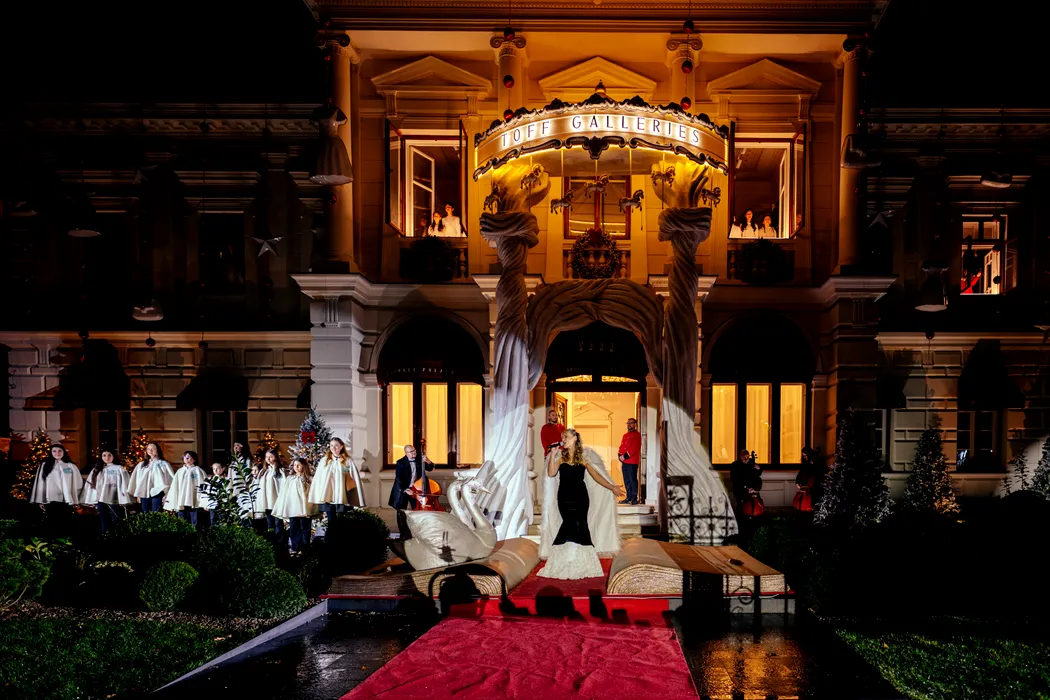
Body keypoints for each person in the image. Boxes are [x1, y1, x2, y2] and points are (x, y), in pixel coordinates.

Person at [538, 429, 623, 580]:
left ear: (575, 438)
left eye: (566, 437)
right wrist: (552, 454)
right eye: (563, 437)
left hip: (581, 498)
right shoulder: (561, 458)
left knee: (581, 525)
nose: (564, 439)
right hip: (564, 498)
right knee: (568, 524)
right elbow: (551, 473)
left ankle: (582, 562)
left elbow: (597, 476)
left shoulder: (583, 459)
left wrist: (612, 487)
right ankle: (562, 561)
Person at [30, 444, 83, 533]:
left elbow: (77, 483)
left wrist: (77, 499)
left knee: (65, 521)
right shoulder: (44, 466)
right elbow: (40, 484)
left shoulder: (70, 466)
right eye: (54, 451)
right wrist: (41, 500)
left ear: (63, 452)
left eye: (59, 451)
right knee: (51, 521)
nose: (57, 453)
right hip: (50, 499)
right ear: (51, 453)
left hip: (66, 499)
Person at [308, 437, 365, 515]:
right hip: (328, 497)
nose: (333, 448)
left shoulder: (348, 461)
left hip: (342, 496)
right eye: (331, 445)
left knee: (342, 519)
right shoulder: (324, 460)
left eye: (336, 445)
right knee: (331, 520)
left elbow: (353, 477)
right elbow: (318, 478)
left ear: (341, 447)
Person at [273, 457, 316, 555]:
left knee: (305, 528)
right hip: (293, 509)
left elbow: (312, 493)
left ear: (303, 466)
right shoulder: (290, 479)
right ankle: (295, 547)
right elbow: (285, 493)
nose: (296, 467)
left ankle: (305, 548)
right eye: (294, 465)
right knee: (294, 528)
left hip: (305, 509)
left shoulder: (309, 479)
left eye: (298, 465)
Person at [83, 449, 131, 533]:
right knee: (103, 519)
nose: (107, 457)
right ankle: (105, 536)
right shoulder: (96, 469)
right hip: (100, 499)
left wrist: (123, 498)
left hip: (114, 498)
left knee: (115, 519)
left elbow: (124, 483)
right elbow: (91, 485)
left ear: (113, 456)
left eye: (109, 455)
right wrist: (92, 497)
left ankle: (116, 536)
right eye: (104, 455)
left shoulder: (119, 468)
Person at [128, 442, 174, 513]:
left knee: (156, 512)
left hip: (158, 492)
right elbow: (138, 480)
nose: (150, 451)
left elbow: (169, 479)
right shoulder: (142, 465)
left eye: (153, 449)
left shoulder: (163, 464)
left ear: (157, 450)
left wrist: (167, 494)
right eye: (148, 449)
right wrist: (138, 494)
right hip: (144, 493)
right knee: (145, 513)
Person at [165, 451, 206, 527]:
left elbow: (203, 484)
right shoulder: (180, 471)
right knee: (182, 519)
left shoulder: (198, 470)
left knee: (194, 519)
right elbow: (175, 486)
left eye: (189, 457)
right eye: (185, 457)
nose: (187, 459)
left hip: (193, 499)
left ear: (194, 459)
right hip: (181, 499)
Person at [389, 444, 434, 510]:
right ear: (406, 453)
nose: (414, 452)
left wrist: (427, 461)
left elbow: (430, 469)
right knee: (401, 510)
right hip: (404, 488)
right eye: (411, 451)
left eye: (414, 450)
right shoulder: (400, 462)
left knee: (416, 508)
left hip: (416, 489)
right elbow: (398, 478)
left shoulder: (420, 459)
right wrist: (406, 489)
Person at [256, 448, 286, 534]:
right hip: (267, 502)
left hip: (276, 502)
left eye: (271, 457)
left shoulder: (280, 471)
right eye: (266, 457)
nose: (268, 459)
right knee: (270, 524)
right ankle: (271, 539)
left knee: (278, 524)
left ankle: (279, 539)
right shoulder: (264, 471)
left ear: (275, 457)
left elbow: (282, 485)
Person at [729, 449, 763, 517]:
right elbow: (734, 479)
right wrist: (746, 487)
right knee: (741, 505)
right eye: (744, 457)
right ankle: (741, 517)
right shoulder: (735, 465)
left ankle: (756, 514)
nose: (746, 459)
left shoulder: (751, 463)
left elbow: (758, 475)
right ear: (740, 457)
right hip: (740, 489)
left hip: (752, 489)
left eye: (747, 457)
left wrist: (759, 468)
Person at [616, 417, 642, 505]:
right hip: (625, 461)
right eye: (628, 423)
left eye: (631, 423)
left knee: (632, 480)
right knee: (626, 480)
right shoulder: (625, 435)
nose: (629, 425)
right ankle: (628, 497)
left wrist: (625, 456)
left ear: (635, 424)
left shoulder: (637, 435)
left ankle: (634, 498)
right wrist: (619, 455)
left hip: (632, 461)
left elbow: (634, 448)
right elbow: (622, 446)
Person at [794, 447, 828, 512]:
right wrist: (797, 481)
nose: (805, 457)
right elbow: (801, 472)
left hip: (817, 484)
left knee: (816, 500)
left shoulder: (818, 460)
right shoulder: (805, 462)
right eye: (803, 456)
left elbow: (825, 470)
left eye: (806, 455)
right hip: (807, 485)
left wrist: (814, 465)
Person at [200, 461, 231, 526]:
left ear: (222, 469)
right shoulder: (210, 479)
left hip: (222, 505)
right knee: (213, 519)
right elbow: (206, 492)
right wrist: (205, 504)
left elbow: (228, 492)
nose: (215, 470)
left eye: (217, 468)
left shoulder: (226, 480)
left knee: (222, 520)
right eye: (214, 469)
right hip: (212, 504)